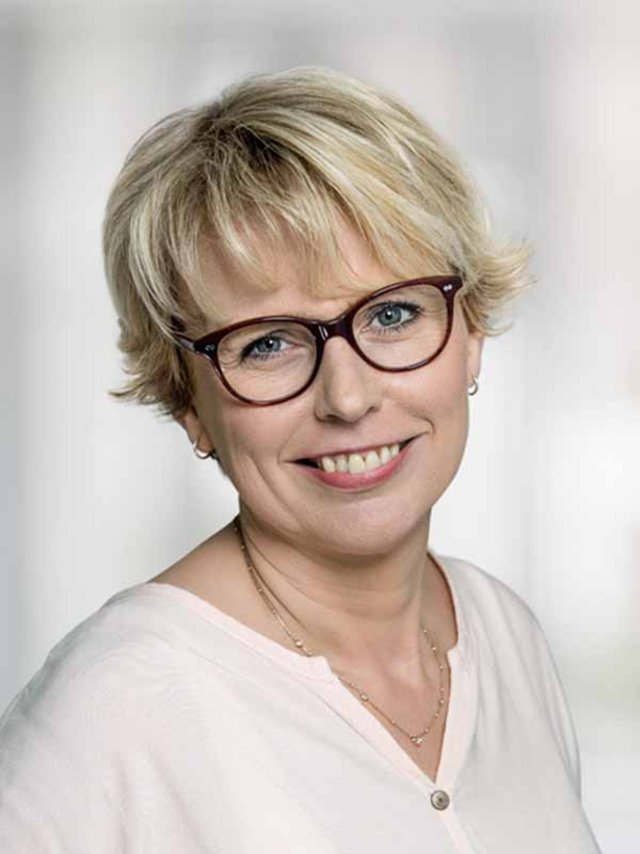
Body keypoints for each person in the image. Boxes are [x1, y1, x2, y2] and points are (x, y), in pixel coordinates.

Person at [0, 67, 601, 853]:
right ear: (187, 401)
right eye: (268, 343)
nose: (346, 397)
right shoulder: (116, 708)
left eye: (393, 313)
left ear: (471, 333)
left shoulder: (504, 636)